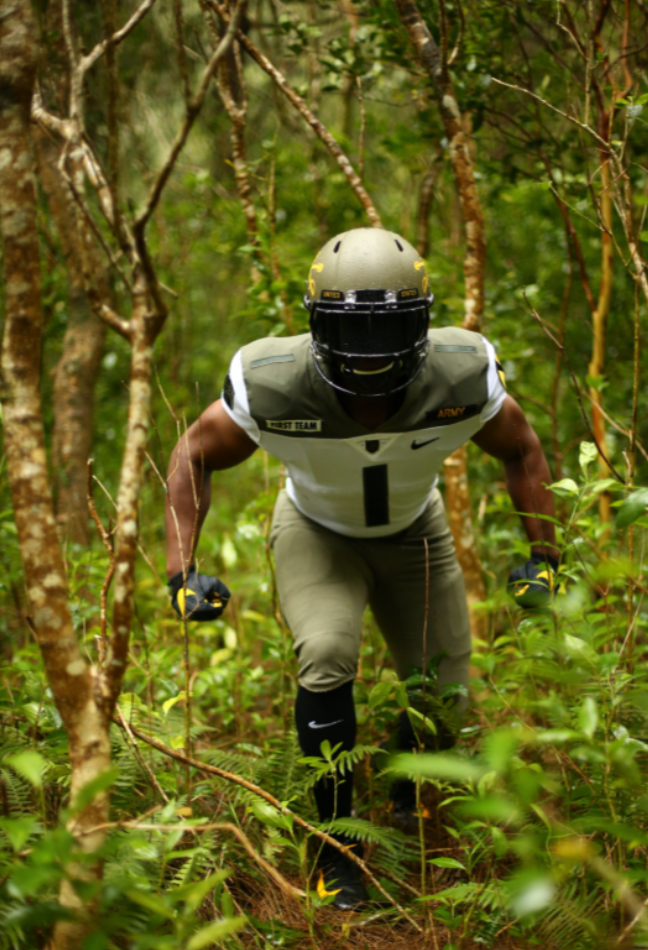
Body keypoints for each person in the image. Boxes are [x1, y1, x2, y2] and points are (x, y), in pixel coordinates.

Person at [163, 227, 563, 910]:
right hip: (317, 533)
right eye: (354, 330)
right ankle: (333, 846)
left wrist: (546, 558)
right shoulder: (272, 383)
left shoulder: (461, 371)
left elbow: (521, 446)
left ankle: (407, 782)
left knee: (446, 689)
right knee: (325, 652)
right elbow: (193, 452)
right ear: (315, 321)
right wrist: (180, 572)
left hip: (416, 532)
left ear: (424, 322)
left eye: (392, 329)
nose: (371, 353)